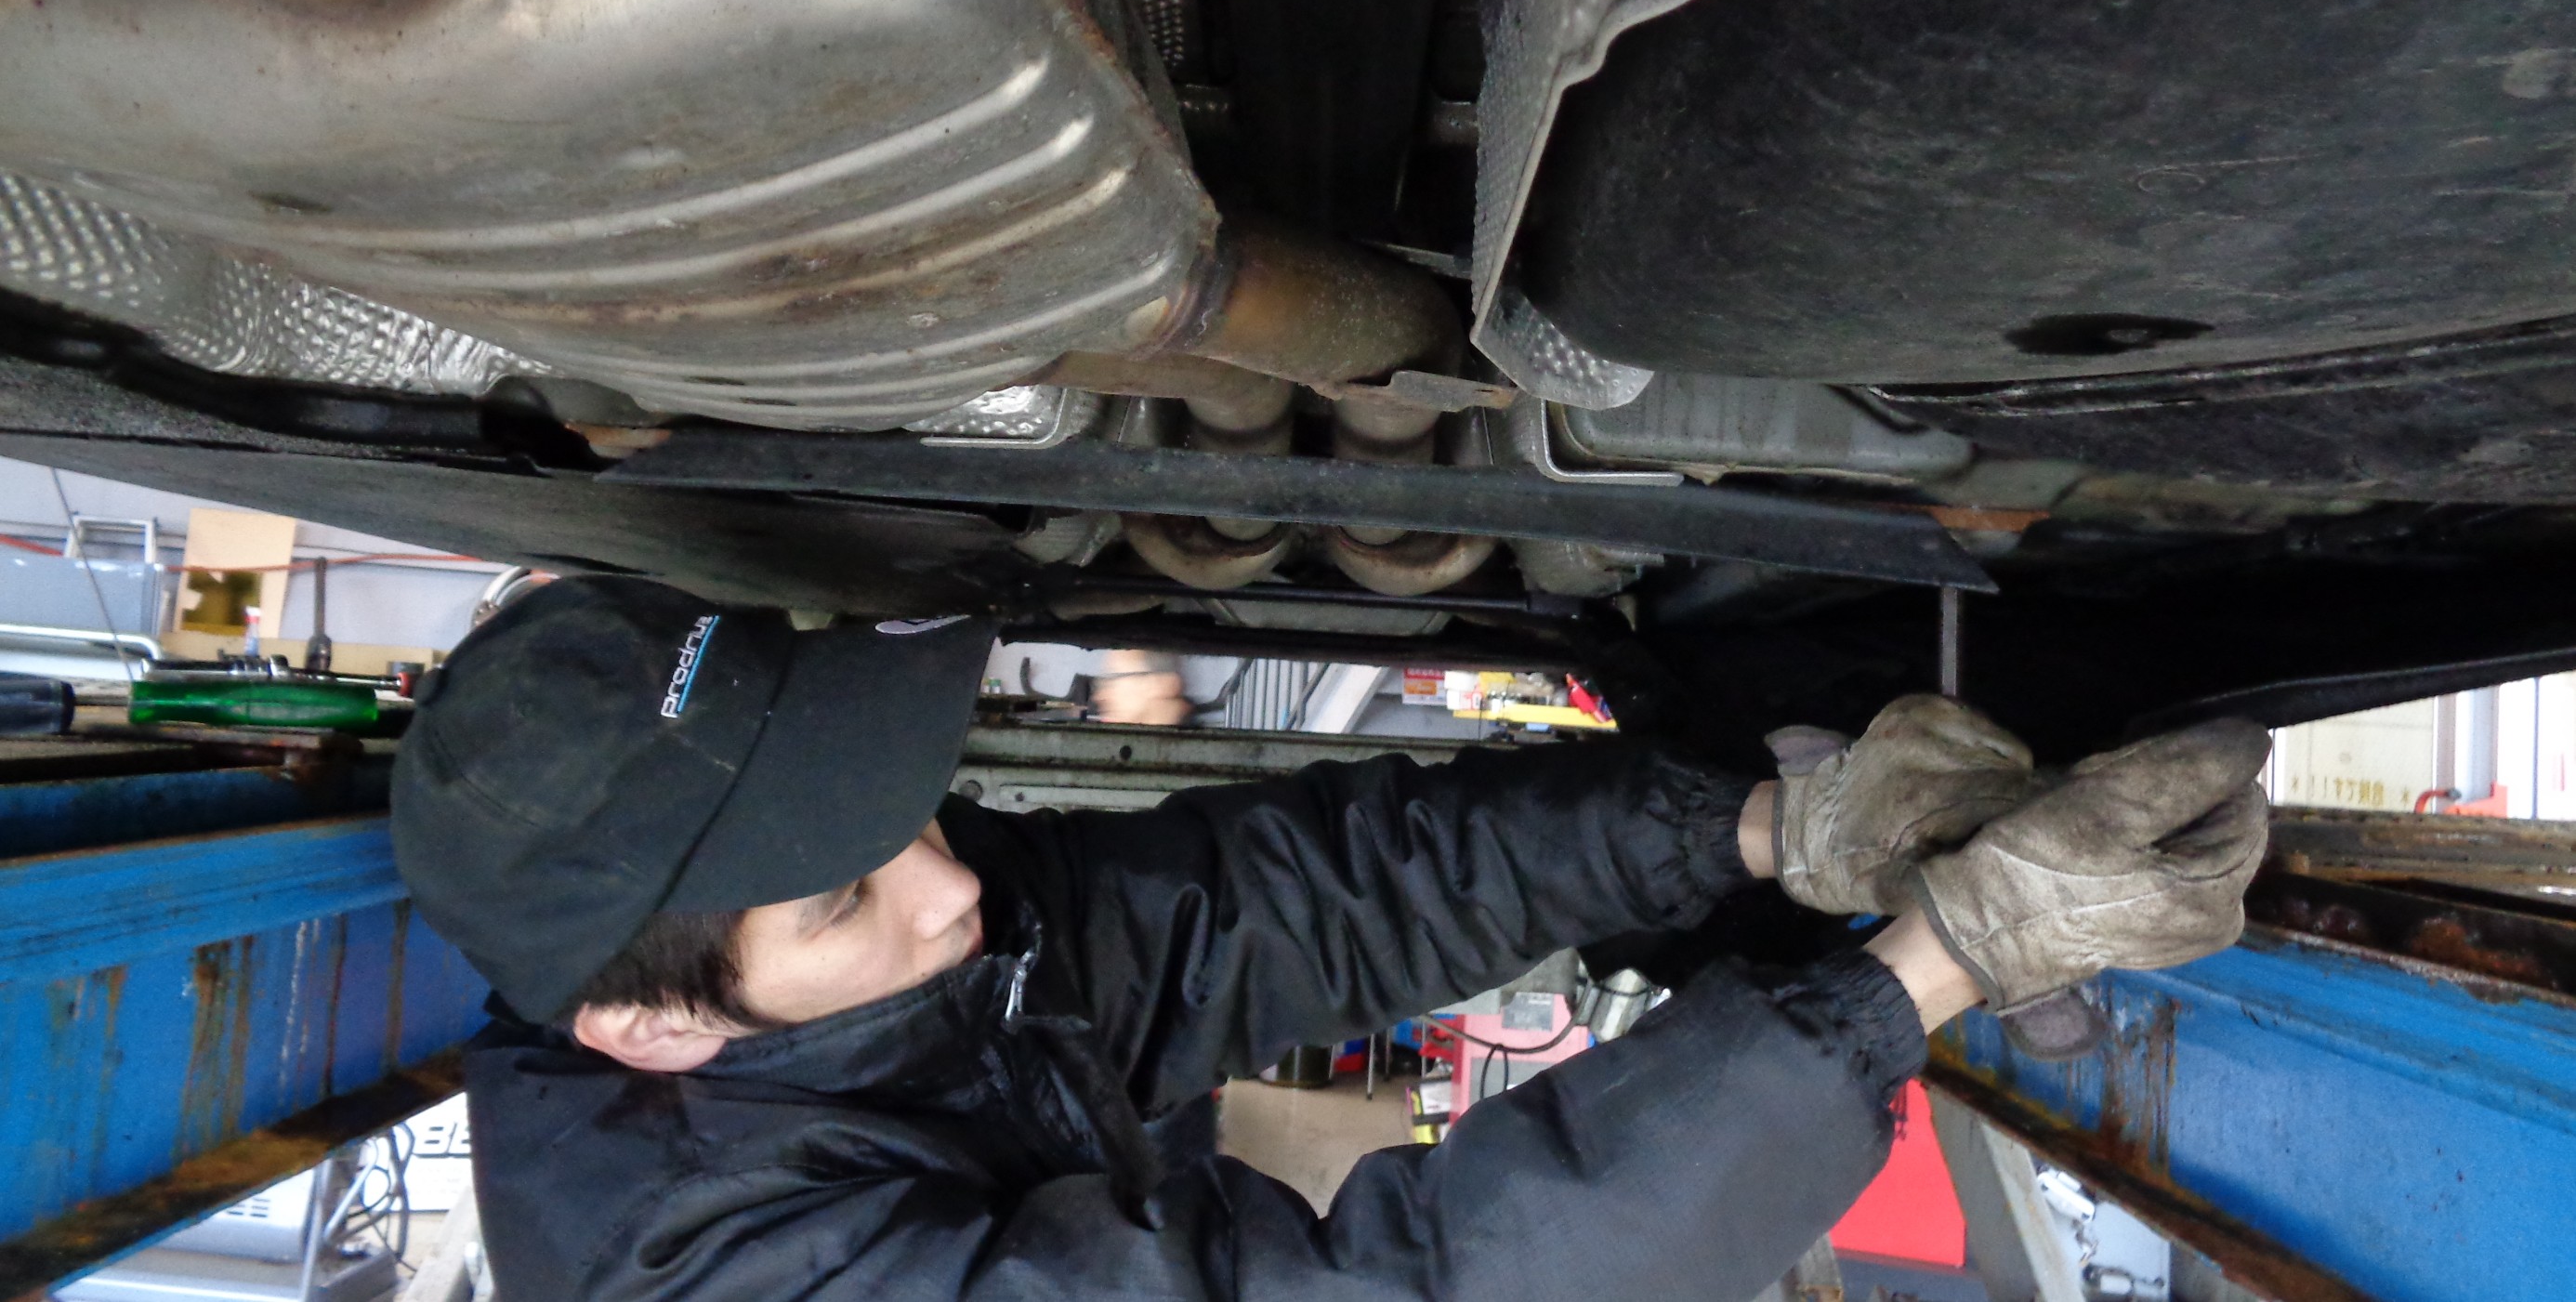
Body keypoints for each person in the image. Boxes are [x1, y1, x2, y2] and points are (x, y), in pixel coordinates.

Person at [389, 578, 2270, 1302]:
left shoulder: (889, 953)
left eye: (901, 809)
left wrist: (1772, 827)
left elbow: (1290, 901)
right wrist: (1925, 967)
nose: (947, 884)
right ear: (654, 1028)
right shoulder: (719, 1274)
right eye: (840, 896)